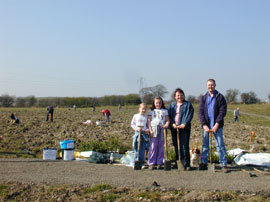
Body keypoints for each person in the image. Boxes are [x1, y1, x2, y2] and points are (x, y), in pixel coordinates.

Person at [198, 79, 229, 173]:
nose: (210, 86)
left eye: (212, 85)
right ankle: (203, 163)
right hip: (206, 126)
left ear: (215, 85)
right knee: (205, 145)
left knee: (220, 145)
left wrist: (217, 124)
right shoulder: (204, 97)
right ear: (206, 86)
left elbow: (222, 111)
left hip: (217, 126)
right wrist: (204, 124)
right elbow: (200, 111)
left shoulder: (220, 97)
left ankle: (223, 164)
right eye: (208, 85)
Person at [168, 88, 194, 170]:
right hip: (174, 128)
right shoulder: (172, 105)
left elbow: (189, 115)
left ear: (184, 96)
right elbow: (169, 116)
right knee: (176, 145)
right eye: (178, 95)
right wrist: (172, 123)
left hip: (184, 128)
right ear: (175, 97)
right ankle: (178, 162)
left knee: (184, 145)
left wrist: (184, 123)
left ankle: (186, 164)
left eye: (181, 95)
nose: (179, 97)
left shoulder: (188, 105)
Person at [147, 96, 170, 170]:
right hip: (154, 129)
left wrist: (166, 124)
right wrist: (150, 130)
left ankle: (159, 162)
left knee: (161, 146)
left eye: (160, 102)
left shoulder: (165, 111)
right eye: (157, 102)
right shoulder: (151, 111)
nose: (158, 104)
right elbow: (149, 121)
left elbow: (167, 120)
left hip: (162, 129)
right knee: (153, 146)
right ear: (154, 103)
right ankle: (151, 162)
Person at [131, 103, 150, 168]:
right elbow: (132, 124)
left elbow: (147, 126)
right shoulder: (135, 116)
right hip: (137, 133)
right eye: (142, 108)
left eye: (145, 109)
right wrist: (137, 128)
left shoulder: (146, 117)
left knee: (142, 149)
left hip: (144, 134)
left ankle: (142, 162)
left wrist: (147, 130)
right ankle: (136, 161)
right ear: (139, 109)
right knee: (136, 148)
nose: (143, 110)